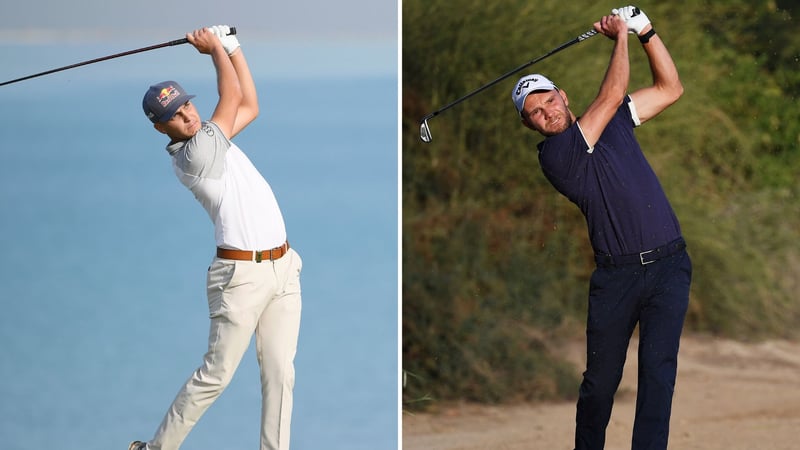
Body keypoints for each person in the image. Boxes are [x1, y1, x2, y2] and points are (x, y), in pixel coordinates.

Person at [510, 6, 690, 450]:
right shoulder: (555, 156)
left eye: (549, 100)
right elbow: (610, 96)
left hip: (670, 264)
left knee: (658, 372)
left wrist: (645, 30)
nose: (546, 112)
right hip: (617, 279)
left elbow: (671, 88)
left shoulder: (615, 123)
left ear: (563, 95)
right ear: (528, 123)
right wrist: (620, 36)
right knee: (599, 384)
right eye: (535, 112)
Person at [129, 25, 302, 450]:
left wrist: (232, 46)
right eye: (176, 114)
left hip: (282, 267)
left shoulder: (213, 136)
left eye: (187, 105)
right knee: (217, 373)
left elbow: (251, 105)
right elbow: (230, 100)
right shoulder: (196, 153)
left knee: (281, 373)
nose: (188, 115)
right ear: (161, 127)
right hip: (239, 276)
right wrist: (212, 52)